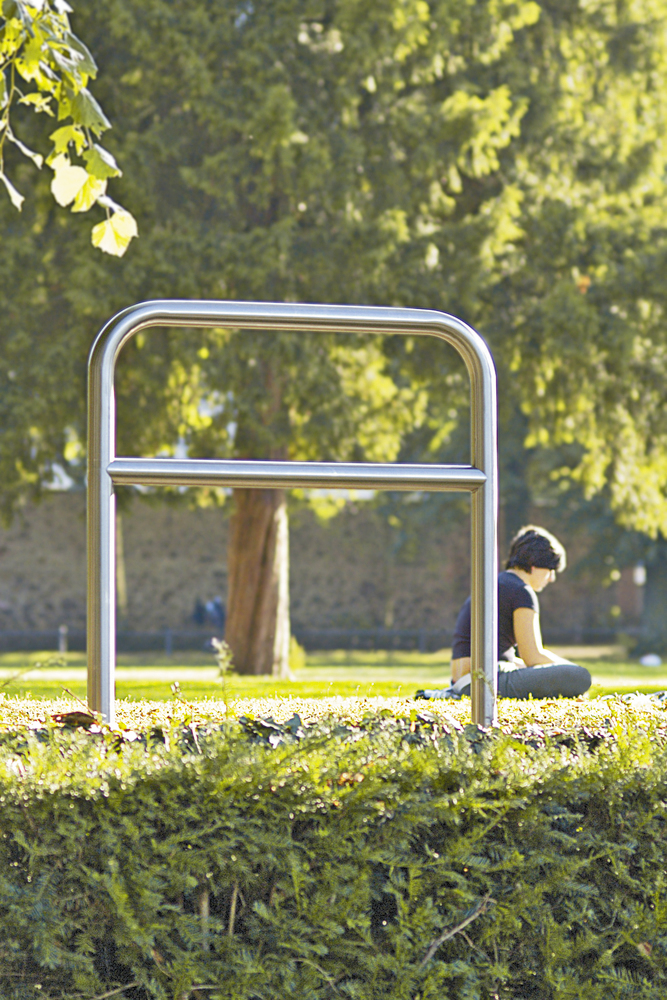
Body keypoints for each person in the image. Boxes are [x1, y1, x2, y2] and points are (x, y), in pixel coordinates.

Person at [419, 525, 591, 700]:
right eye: (550, 569)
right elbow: (532, 655)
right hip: (485, 680)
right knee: (581, 676)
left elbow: (510, 657)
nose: (551, 578)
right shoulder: (521, 591)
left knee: (541, 671)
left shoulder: (497, 583)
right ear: (534, 565)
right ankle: (453, 696)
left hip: (463, 679)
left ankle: (449, 694)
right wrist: (570, 668)